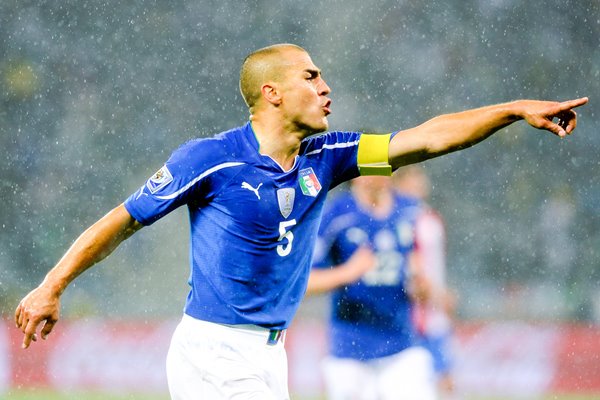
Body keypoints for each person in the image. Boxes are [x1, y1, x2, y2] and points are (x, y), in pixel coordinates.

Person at [14, 42, 587, 399]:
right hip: (215, 351)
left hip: (270, 354)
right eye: (311, 77)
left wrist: (511, 110)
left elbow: (426, 139)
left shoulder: (328, 154)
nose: (326, 86)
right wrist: (51, 285)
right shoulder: (211, 158)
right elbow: (123, 219)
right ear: (273, 93)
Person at [306, 175, 437, 400]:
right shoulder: (336, 213)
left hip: (401, 345)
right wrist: (347, 273)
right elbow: (304, 283)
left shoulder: (411, 210)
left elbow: (423, 278)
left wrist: (422, 287)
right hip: (350, 350)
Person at [394, 165, 457, 398]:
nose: (421, 180)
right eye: (414, 176)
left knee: (445, 385)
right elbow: (411, 271)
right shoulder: (401, 219)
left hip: (434, 317)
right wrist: (437, 296)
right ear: (399, 182)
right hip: (415, 319)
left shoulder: (426, 215)